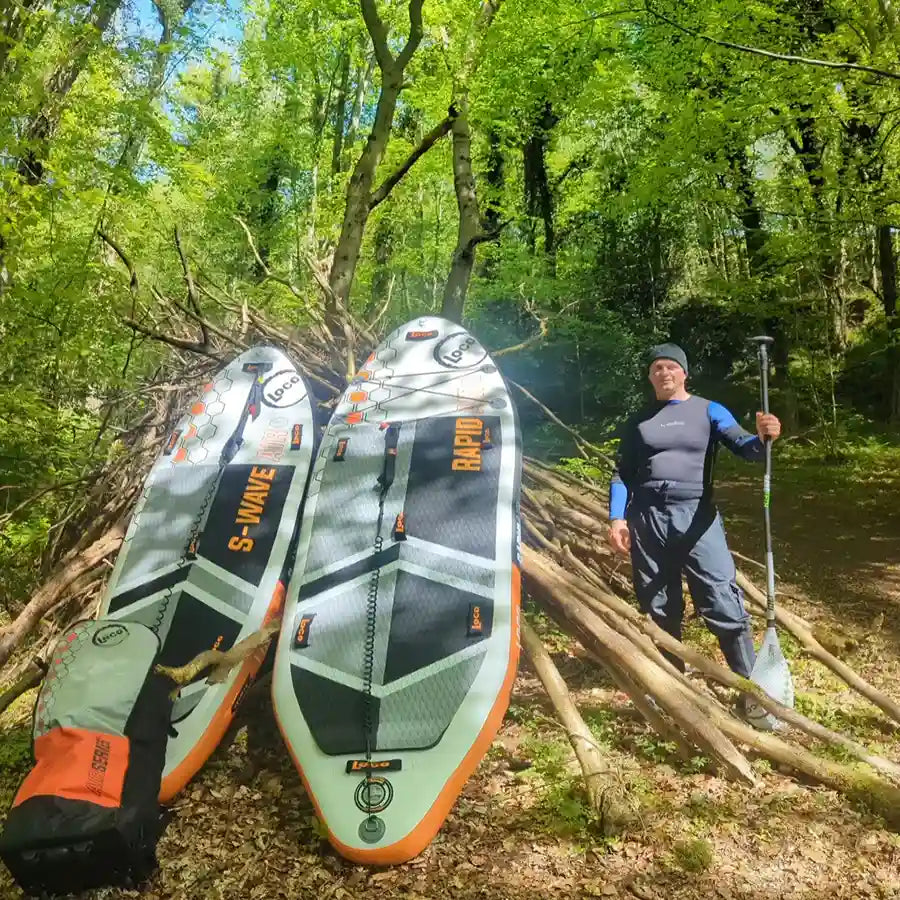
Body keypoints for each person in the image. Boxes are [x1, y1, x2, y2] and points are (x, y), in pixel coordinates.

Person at [608, 342, 781, 681]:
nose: (663, 372)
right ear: (650, 376)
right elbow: (621, 473)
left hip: (696, 517)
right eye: (656, 367)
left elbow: (745, 446)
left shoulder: (708, 410)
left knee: (721, 598)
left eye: (670, 366)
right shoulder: (639, 420)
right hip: (647, 518)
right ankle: (673, 685)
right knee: (658, 605)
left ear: (684, 373)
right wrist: (617, 518)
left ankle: (752, 686)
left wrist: (763, 439)